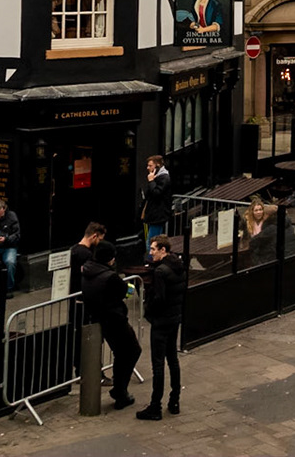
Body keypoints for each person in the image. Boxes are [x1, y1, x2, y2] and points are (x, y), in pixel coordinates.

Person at [80, 243, 138, 408]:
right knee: (132, 351)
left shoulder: (88, 270)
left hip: (99, 319)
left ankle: (119, 390)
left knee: (121, 353)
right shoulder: (109, 277)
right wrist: (128, 289)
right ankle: (120, 391)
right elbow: (124, 291)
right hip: (114, 320)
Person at [136, 235, 185, 420]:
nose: (151, 253)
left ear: (163, 250)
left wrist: (147, 311)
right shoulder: (179, 267)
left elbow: (159, 298)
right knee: (173, 359)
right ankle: (175, 400)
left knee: (158, 364)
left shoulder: (160, 272)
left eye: (154, 249)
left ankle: (155, 406)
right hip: (174, 319)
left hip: (161, 321)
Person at [141, 156, 172, 244]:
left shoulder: (164, 178)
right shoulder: (157, 177)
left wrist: (151, 181)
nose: (148, 168)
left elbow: (156, 193)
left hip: (158, 215)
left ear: (157, 166)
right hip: (153, 214)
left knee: (151, 243)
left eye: (150, 166)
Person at [68, 222, 106, 294]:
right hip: (83, 293)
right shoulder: (87, 254)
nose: (99, 243)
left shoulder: (72, 249)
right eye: (100, 240)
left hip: (72, 293)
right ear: (94, 236)